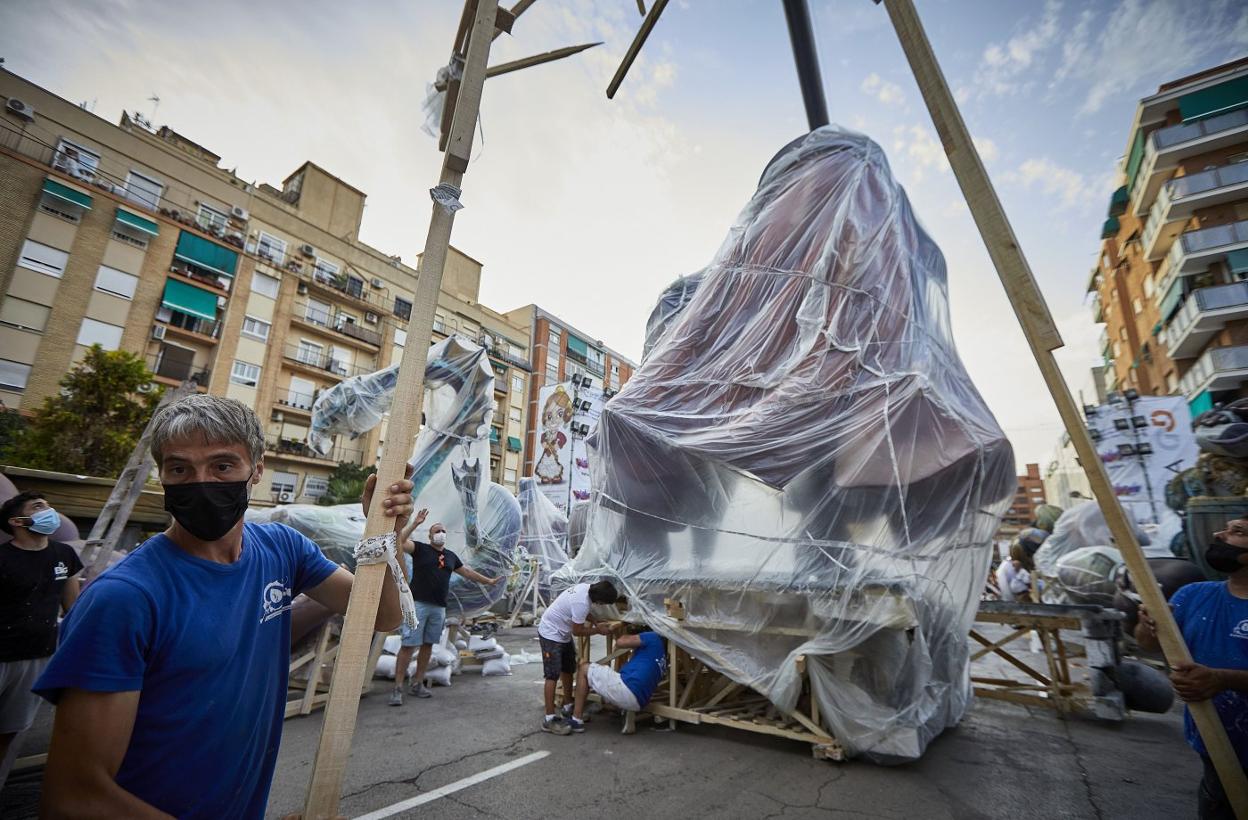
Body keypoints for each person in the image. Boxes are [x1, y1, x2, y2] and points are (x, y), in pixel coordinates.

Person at [33, 394, 414, 819]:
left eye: (222, 465)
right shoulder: (123, 599)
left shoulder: (282, 549)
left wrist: (385, 537)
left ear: (257, 470)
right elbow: (74, 800)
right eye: (180, 468)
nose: (202, 482)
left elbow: (381, 616)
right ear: (162, 476)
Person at [1136, 517, 1248, 820]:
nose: (1218, 534)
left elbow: (1219, 678)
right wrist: (1148, 625)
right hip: (1212, 745)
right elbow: (1147, 644)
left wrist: (1221, 679)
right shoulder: (1193, 595)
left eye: (1237, 532)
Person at [0, 492, 82, 789]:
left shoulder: (64, 555)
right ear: (18, 521)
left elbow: (72, 608)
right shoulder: (3, 558)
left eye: (49, 505)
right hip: (1, 655)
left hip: (37, 656)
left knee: (10, 732)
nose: (49, 512)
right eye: (38, 507)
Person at [390, 518, 502, 705]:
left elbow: (466, 571)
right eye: (436, 531)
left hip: (439, 607)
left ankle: (418, 683)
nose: (440, 534)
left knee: (428, 645)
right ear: (430, 535)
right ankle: (398, 688)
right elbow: (399, 542)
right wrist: (415, 523)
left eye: (442, 531)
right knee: (408, 645)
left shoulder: (450, 556)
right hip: (418, 605)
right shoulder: (420, 549)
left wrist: (488, 581)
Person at [537, 579, 618, 735]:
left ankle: (568, 707)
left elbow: (582, 613)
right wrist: (598, 631)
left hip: (562, 634)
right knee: (552, 675)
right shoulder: (582, 601)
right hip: (550, 633)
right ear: (600, 600)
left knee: (568, 669)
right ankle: (549, 719)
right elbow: (577, 631)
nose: (600, 606)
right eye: (602, 603)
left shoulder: (585, 588)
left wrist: (595, 622)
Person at [568, 626, 667, 733]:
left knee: (584, 668)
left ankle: (576, 719)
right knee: (615, 683)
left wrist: (622, 633)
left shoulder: (652, 637)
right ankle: (625, 711)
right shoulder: (662, 657)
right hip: (639, 703)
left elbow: (621, 642)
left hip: (627, 689)